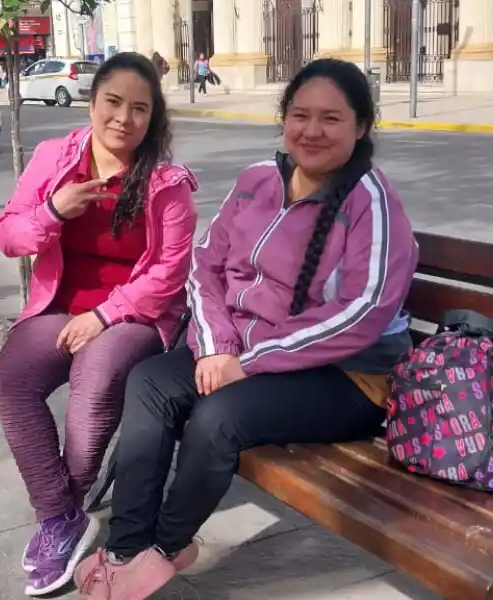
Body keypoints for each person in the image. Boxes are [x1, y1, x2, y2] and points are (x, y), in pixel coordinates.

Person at [74, 58, 419, 600]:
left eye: (331, 118)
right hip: (243, 352)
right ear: (283, 119)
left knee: (218, 417)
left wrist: (245, 362)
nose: (312, 130)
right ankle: (126, 547)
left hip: (346, 377)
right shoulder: (258, 180)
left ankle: (163, 549)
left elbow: (361, 314)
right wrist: (216, 346)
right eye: (300, 115)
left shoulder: (371, 204)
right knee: (150, 380)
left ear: (361, 127)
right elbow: (204, 265)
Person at [0, 51, 198, 597]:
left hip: (136, 313)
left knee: (98, 373)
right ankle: (61, 515)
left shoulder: (167, 183)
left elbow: (169, 275)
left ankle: (66, 509)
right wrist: (54, 210)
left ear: (153, 118)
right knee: (12, 378)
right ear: (91, 102)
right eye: (113, 102)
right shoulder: (56, 158)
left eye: (139, 108)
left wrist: (104, 316)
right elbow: (9, 235)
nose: (123, 118)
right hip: (60, 303)